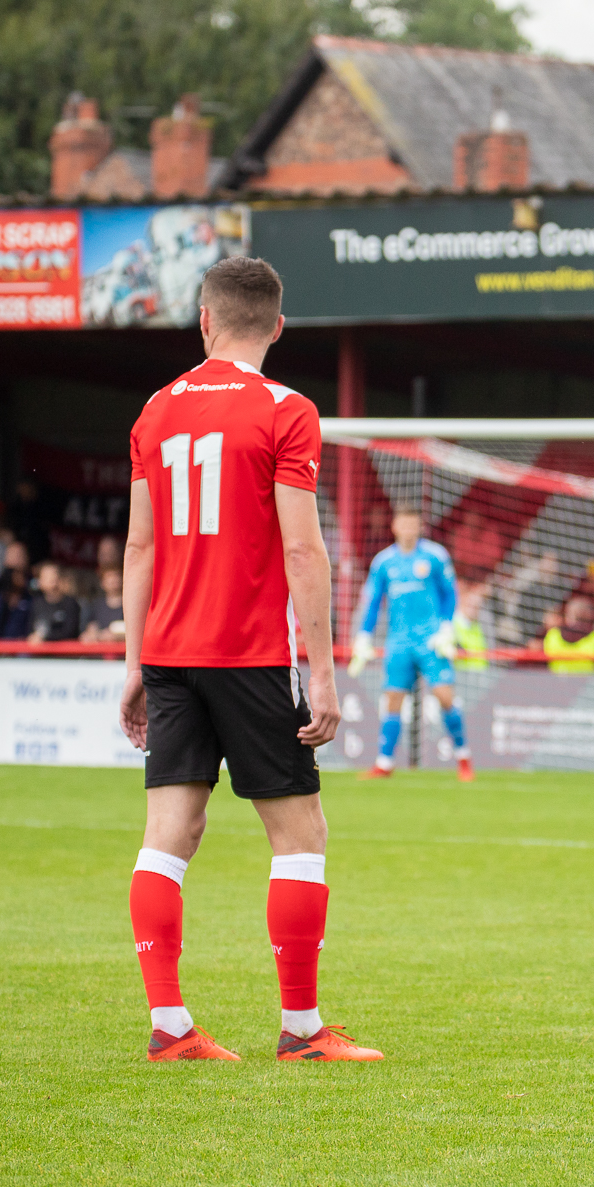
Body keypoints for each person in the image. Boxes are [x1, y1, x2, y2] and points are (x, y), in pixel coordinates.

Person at [119, 255, 378, 1064]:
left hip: (167, 650)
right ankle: (301, 1028)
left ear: (203, 321)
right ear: (277, 324)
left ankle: (170, 1026)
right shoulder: (286, 409)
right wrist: (326, 673)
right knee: (301, 832)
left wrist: (133, 663)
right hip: (250, 653)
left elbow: (138, 545)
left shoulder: (156, 410)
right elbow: (303, 548)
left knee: (168, 835)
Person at [348, 507, 471, 783]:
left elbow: (450, 594)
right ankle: (384, 763)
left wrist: (446, 627)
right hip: (399, 640)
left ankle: (464, 758)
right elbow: (373, 602)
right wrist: (364, 636)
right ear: (395, 526)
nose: (408, 529)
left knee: (444, 696)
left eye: (413, 524)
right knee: (392, 700)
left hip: (430, 639)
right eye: (404, 524)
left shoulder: (435, 556)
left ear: (419, 527)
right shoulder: (383, 562)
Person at [544, 595, 594, 672]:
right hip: (589, 682)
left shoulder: (552, 635)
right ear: (591, 616)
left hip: (557, 682)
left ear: (568, 616)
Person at [27, 563, 82, 643]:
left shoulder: (70, 603)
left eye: (54, 574)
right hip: (40, 653)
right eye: (47, 576)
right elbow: (30, 631)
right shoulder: (36, 604)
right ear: (40, 581)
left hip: (64, 653)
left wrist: (45, 638)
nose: (52, 579)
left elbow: (70, 633)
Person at [452, 581, 490, 672]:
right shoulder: (451, 626)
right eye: (471, 605)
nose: (474, 609)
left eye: (477, 606)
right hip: (461, 678)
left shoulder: (478, 627)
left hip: (480, 678)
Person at [83, 567, 126, 642]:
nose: (113, 581)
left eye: (116, 577)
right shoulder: (96, 606)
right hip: (101, 650)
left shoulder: (129, 606)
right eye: (109, 578)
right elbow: (91, 627)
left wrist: (117, 636)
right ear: (102, 583)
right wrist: (93, 634)